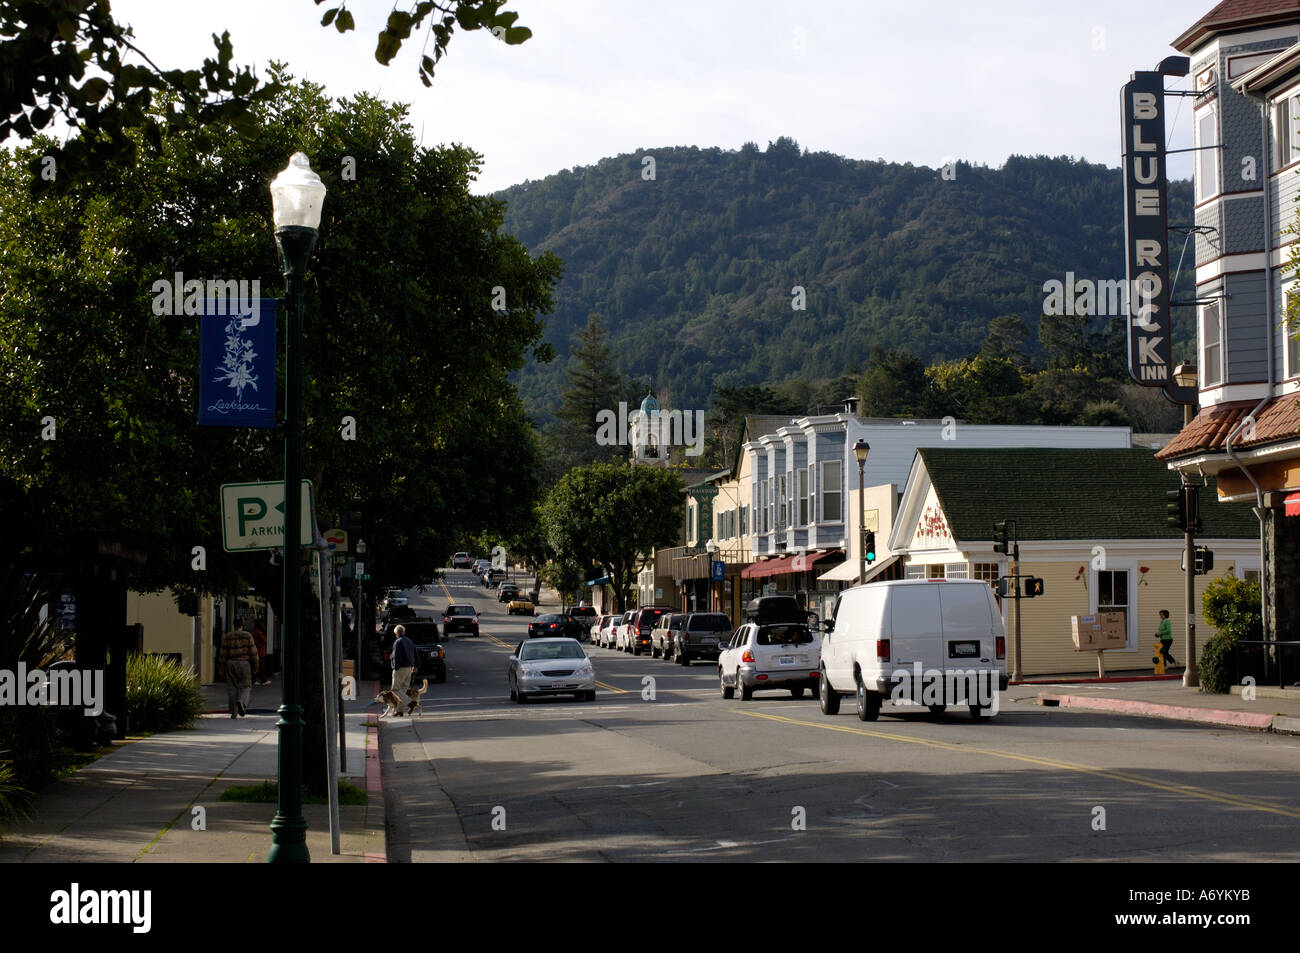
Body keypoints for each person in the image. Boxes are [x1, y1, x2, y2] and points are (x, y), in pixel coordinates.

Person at [218, 618, 259, 717]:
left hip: (231, 663)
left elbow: (223, 653)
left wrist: (221, 667)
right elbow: (253, 652)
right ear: (243, 624)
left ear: (233, 624)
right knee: (246, 686)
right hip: (244, 663)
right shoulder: (248, 636)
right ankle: (242, 702)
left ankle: (234, 713)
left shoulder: (228, 636)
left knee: (232, 687)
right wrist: (256, 665)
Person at [390, 624, 416, 709]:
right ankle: (399, 710)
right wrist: (415, 665)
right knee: (403, 691)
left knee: (395, 689)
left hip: (400, 668)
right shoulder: (410, 641)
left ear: (396, 634)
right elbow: (415, 654)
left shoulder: (398, 642)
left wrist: (395, 667)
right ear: (403, 632)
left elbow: (396, 656)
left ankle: (410, 702)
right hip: (409, 668)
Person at [251, 618, 269, 685]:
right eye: (262, 624)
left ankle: (256, 680)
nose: (263, 625)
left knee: (258, 666)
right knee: (260, 666)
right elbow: (264, 639)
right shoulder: (257, 632)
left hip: (259, 651)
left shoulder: (256, 631)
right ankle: (262, 680)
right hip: (259, 652)